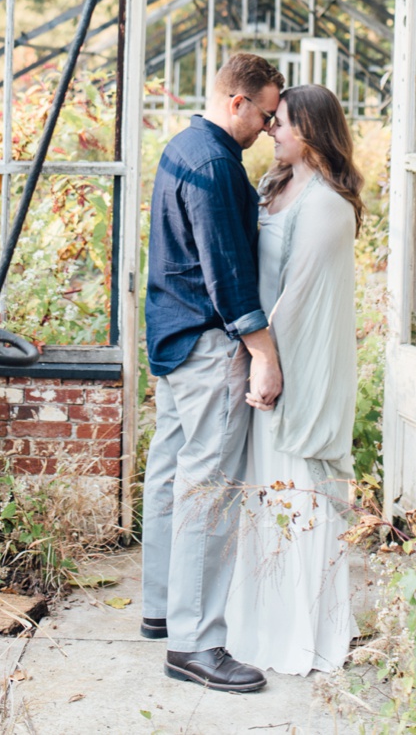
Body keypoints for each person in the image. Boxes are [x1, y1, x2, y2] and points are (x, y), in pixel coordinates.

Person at [140, 52, 286, 694]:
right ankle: (195, 643)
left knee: (171, 473)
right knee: (210, 486)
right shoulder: (217, 166)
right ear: (238, 103)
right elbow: (228, 275)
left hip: (171, 339)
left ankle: (162, 606)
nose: (268, 127)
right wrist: (264, 352)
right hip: (204, 348)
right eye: (266, 113)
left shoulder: (183, 146)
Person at [225, 82, 364, 676]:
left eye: (280, 122)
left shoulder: (328, 204)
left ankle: (304, 628)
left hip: (296, 365)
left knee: (298, 490)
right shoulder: (276, 185)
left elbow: (299, 298)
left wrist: (267, 363)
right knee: (264, 493)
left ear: (310, 131)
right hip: (268, 359)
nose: (270, 130)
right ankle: (262, 621)